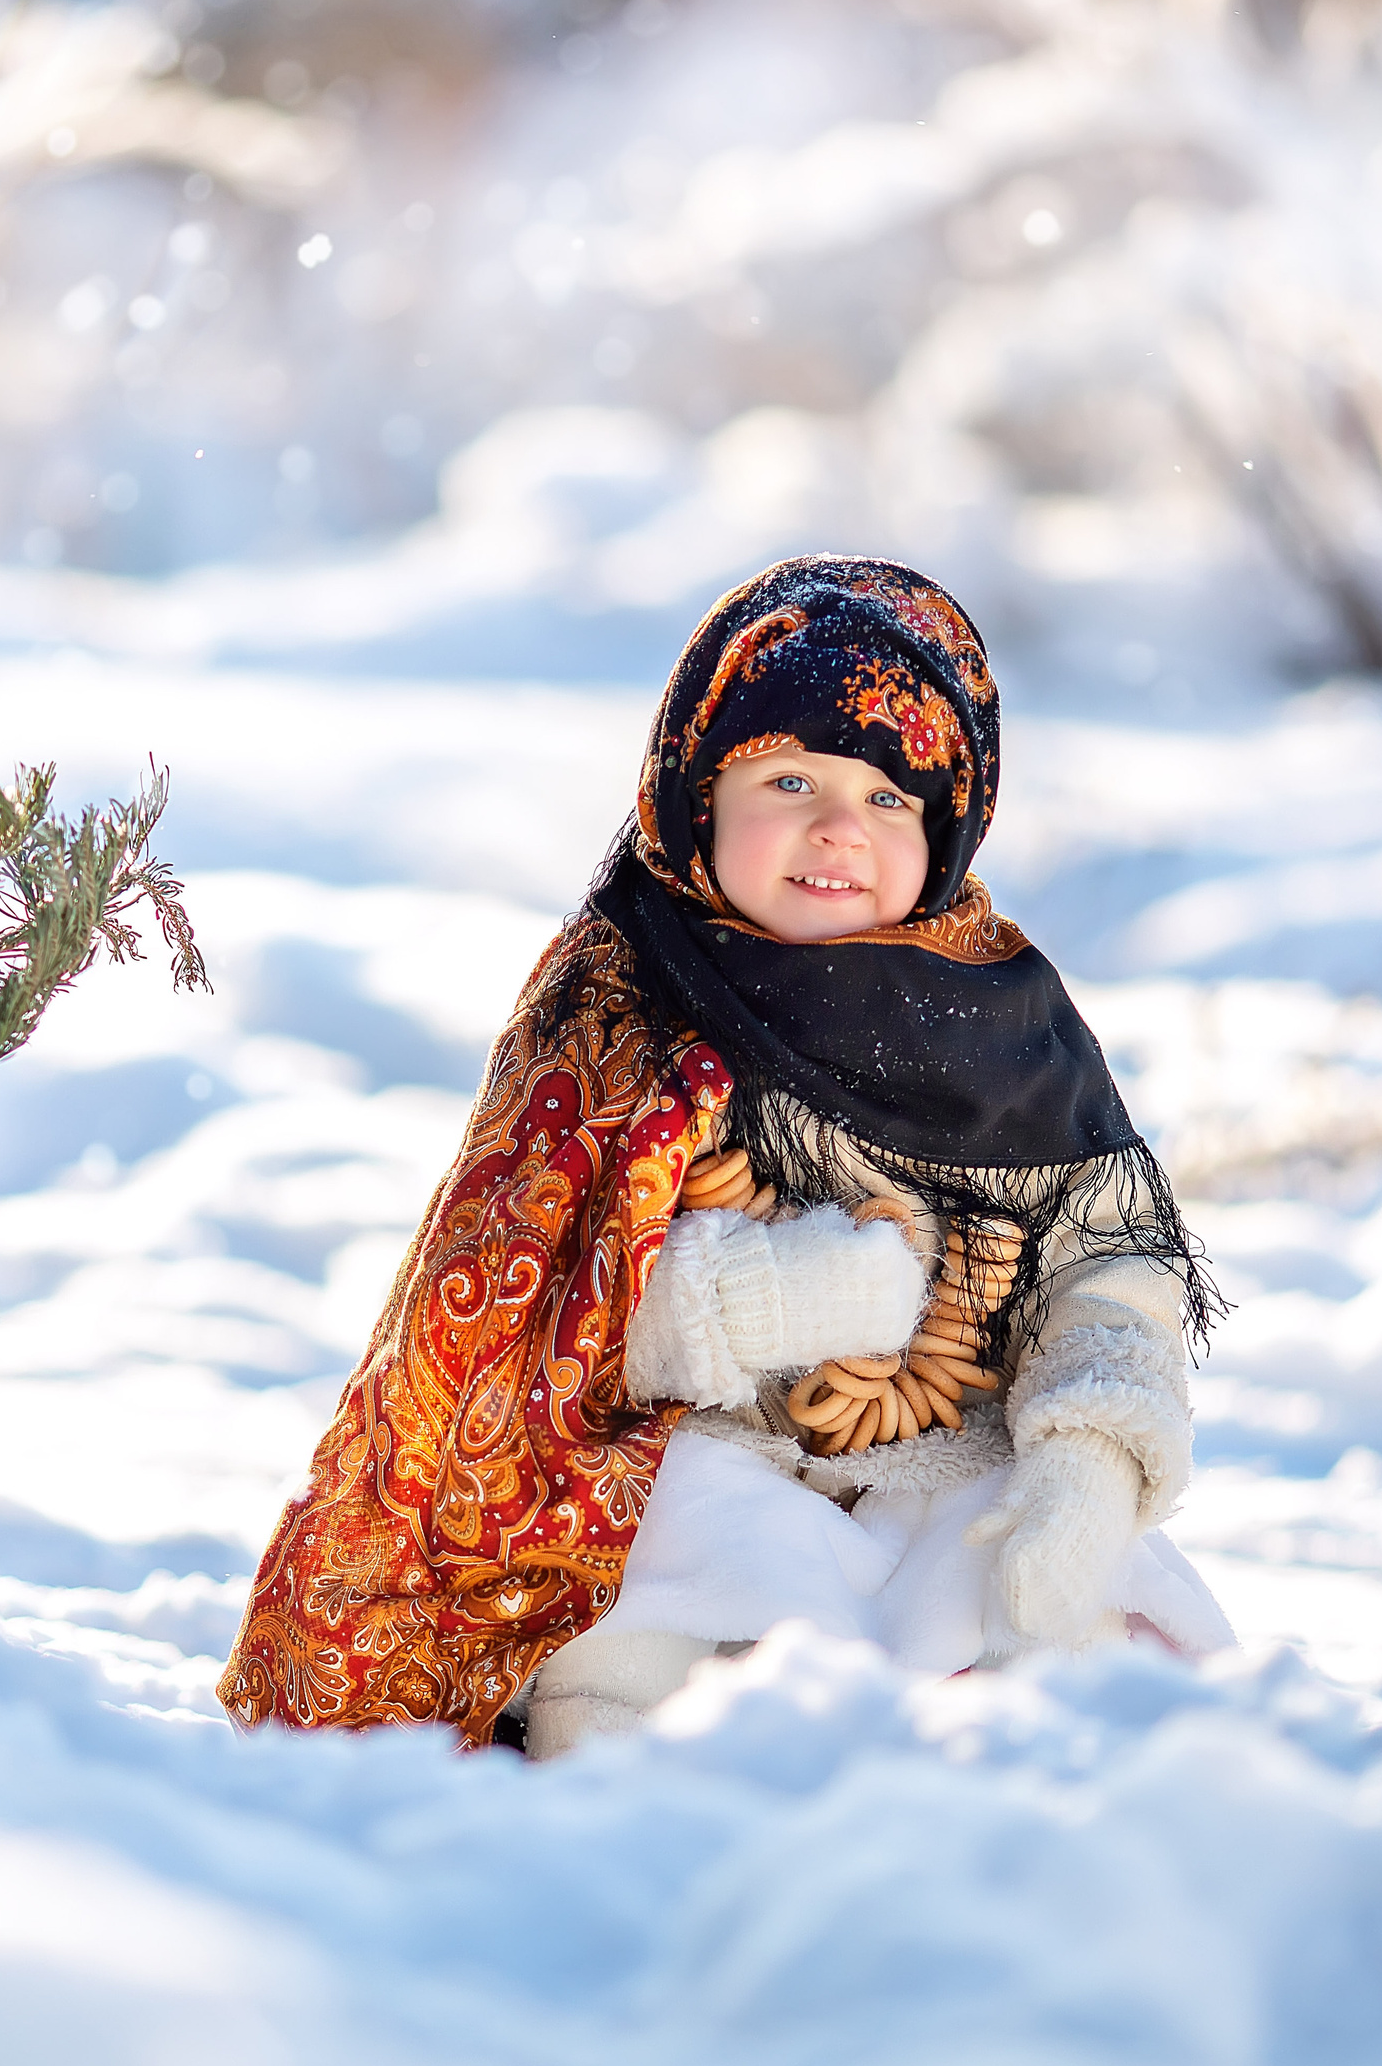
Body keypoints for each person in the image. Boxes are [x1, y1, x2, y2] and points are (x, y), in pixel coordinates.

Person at [217, 556, 1233, 1757]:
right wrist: (754, 1300)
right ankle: (629, 1796)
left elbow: (1108, 1265)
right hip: (702, 1459)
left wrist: (1089, 1459)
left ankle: (1004, 1809)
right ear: (697, 795)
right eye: (789, 779)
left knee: (1040, 1611)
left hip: (942, 1465)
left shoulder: (1011, 1031)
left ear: (948, 823)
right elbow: (514, 1303)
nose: (837, 829)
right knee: (644, 1592)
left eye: (888, 797)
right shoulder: (622, 1002)